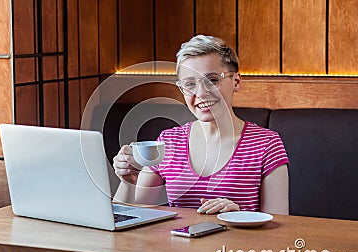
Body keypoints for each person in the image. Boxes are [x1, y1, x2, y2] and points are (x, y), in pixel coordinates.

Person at [113, 35, 289, 215]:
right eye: (190, 84)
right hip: (176, 243)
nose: (201, 93)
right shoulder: (168, 142)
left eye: (212, 80)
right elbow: (128, 216)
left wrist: (240, 214)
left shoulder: (267, 144)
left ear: (236, 81)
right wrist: (128, 181)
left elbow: (280, 227)